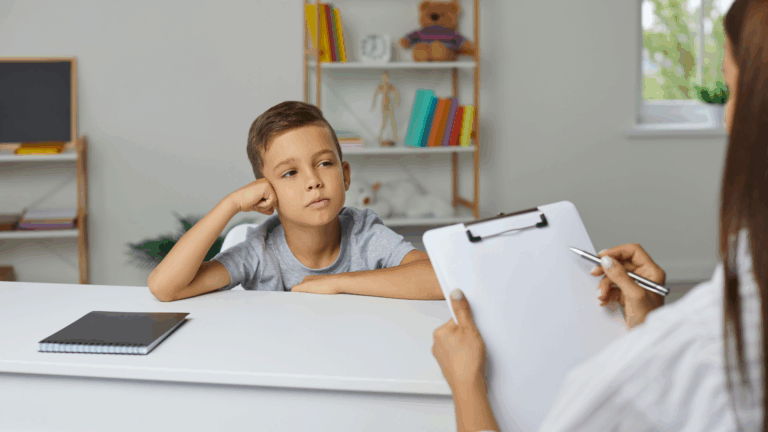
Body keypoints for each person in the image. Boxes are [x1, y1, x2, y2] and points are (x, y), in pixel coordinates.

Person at [431, 0, 766, 430]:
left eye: (731, 88)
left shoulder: (685, 357)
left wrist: (466, 383)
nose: (726, 118)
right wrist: (647, 325)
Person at [148, 101, 443, 302]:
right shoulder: (260, 252)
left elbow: (442, 277)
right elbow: (165, 288)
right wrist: (231, 204)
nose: (313, 181)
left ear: (346, 175)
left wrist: (337, 283)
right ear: (267, 191)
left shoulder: (364, 235)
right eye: (290, 173)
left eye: (325, 163)